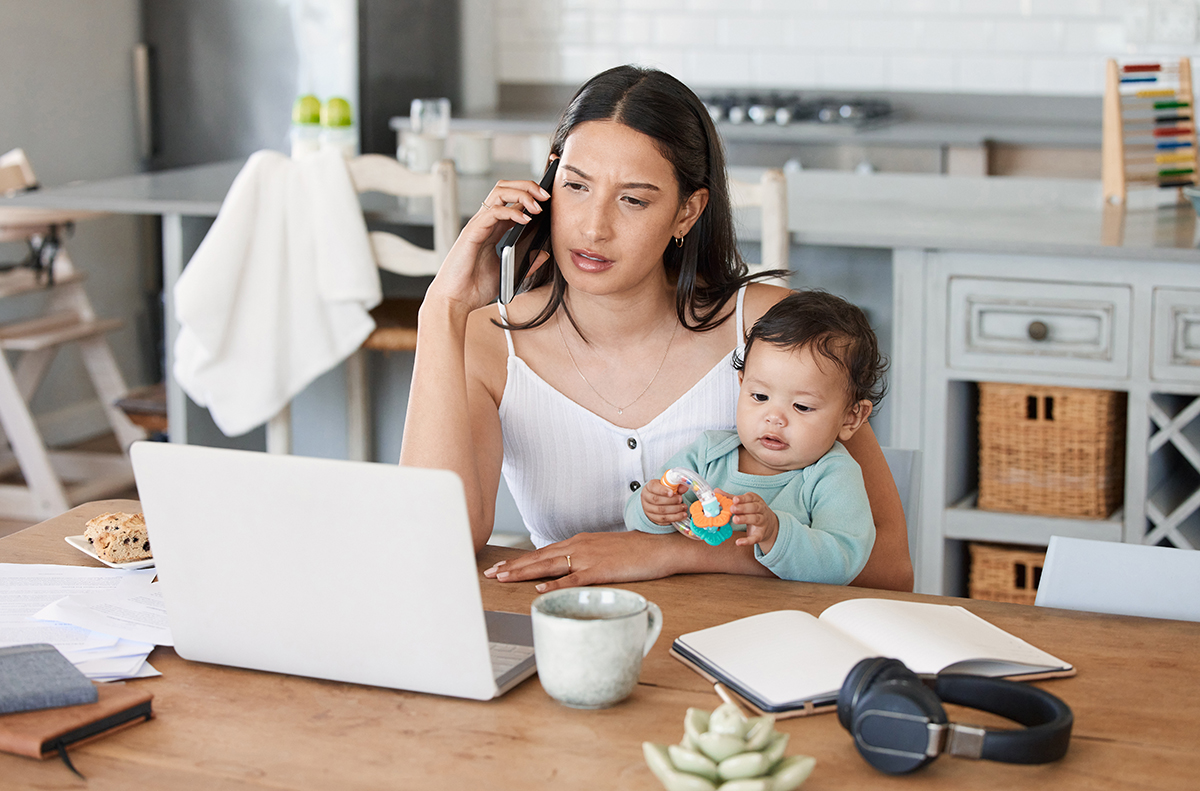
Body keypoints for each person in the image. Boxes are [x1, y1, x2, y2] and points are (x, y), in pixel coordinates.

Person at [400, 64, 914, 592]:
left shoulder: (769, 330)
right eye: (576, 186)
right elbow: (428, 542)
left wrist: (665, 553)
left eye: (633, 200)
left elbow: (890, 566)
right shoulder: (490, 342)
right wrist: (441, 309)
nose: (594, 227)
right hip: (574, 634)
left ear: (687, 212)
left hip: (749, 641)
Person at [626, 290, 886, 583]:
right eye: (760, 396)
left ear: (851, 418)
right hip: (693, 607)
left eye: (802, 406)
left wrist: (775, 532)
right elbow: (639, 520)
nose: (774, 417)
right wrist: (652, 510)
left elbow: (842, 563)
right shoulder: (708, 455)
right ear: (741, 384)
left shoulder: (832, 476)